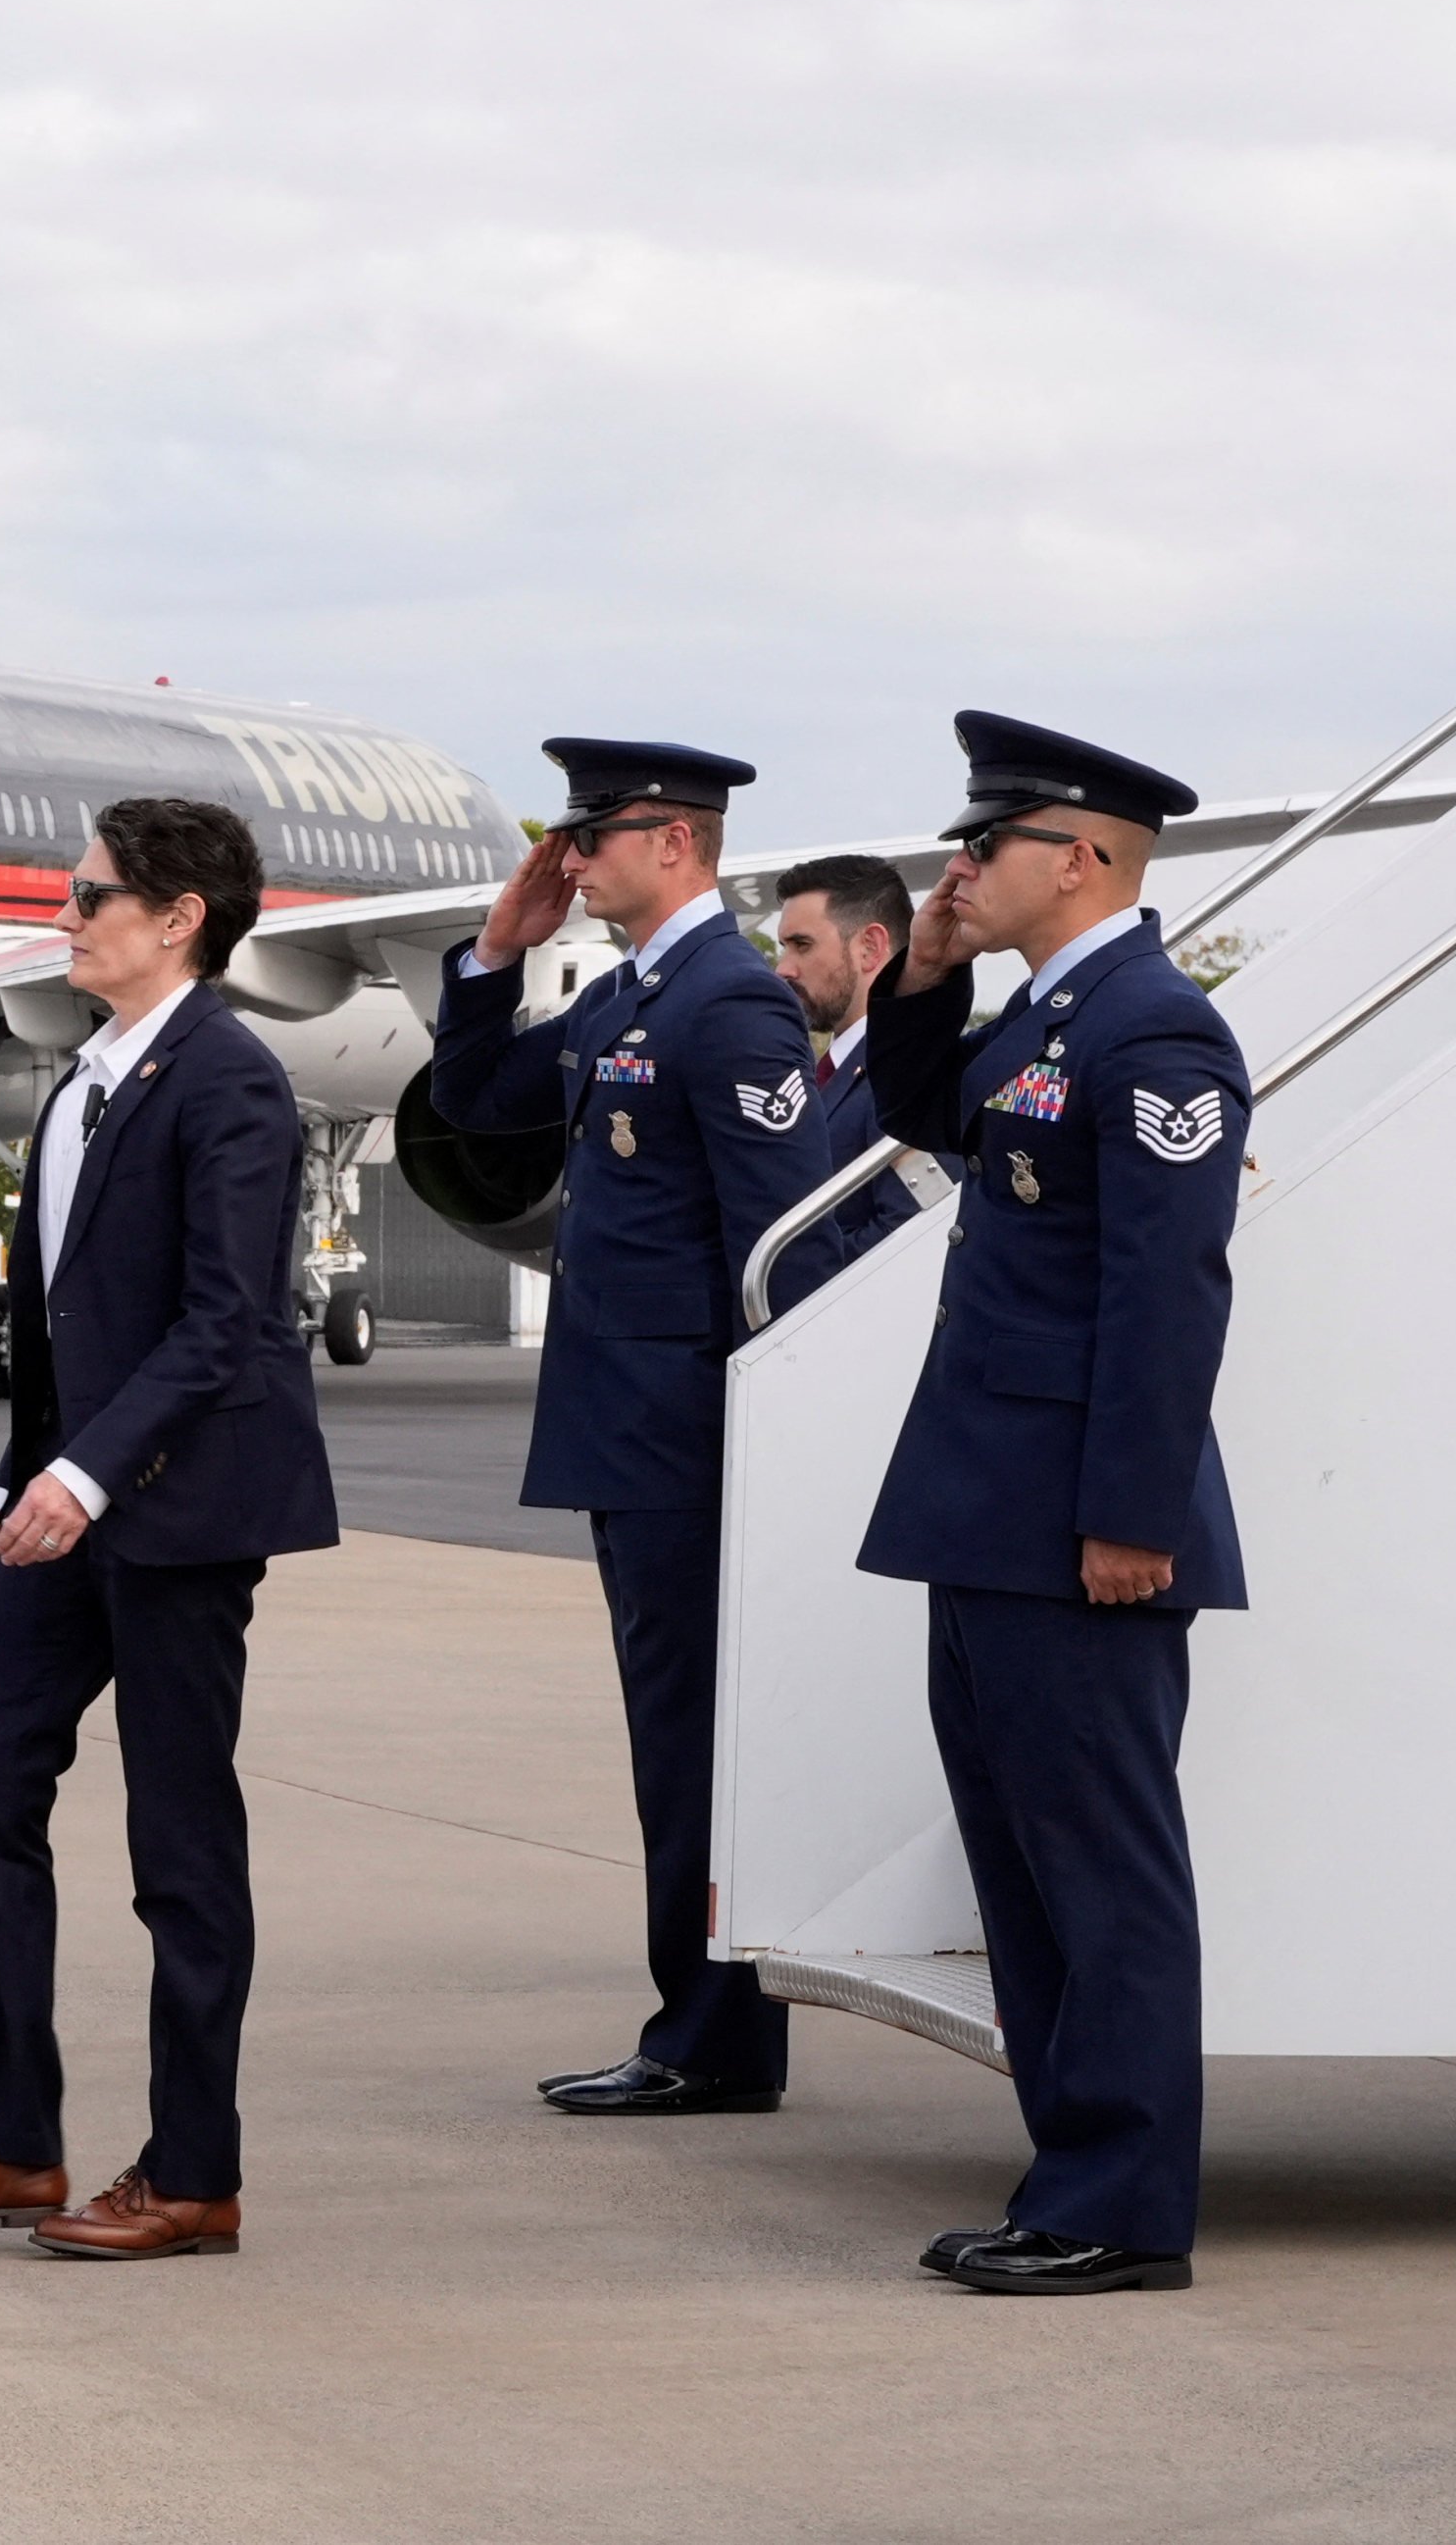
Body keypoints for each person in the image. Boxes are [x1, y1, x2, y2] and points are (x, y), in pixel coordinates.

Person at [0, 796, 336, 2261]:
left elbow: (219, 1325)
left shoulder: (228, 1083)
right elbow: (64, 1322)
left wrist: (89, 1476)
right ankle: (9, 2138)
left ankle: (192, 2172)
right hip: (68, 1504)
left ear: (177, 917)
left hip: (179, 1512)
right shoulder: (77, 1086)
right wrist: (14, 1477)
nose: (64, 915)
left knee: (177, 1842)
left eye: (88, 893)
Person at [862, 713, 1246, 2297]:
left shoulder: (1156, 1035)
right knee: (1021, 1865)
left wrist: (1132, 1516)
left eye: (987, 846)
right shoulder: (1047, 1021)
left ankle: (1123, 2203)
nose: (960, 867)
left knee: (1101, 1869)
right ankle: (1070, 2172)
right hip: (991, 1509)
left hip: (1082, 1524)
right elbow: (916, 1109)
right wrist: (930, 965)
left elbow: (1169, 1297)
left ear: (1080, 856)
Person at [429, 739, 839, 2117]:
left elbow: (791, 1247)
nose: (567, 858)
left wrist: (774, 1446)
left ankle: (710, 2038)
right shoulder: (627, 995)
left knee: (689, 1738)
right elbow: (474, 1103)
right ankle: (701, 2027)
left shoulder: (724, 1005)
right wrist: (493, 954)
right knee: (667, 1731)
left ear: (673, 843)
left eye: (590, 836)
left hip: (690, 1443)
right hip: (635, 1434)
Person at [771, 854, 937, 1248]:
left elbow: (912, 1239)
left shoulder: (906, 1074)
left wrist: (792, 1273)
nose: (783, 968)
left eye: (802, 945)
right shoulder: (824, 1071)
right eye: (784, 947)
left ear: (870, 947)